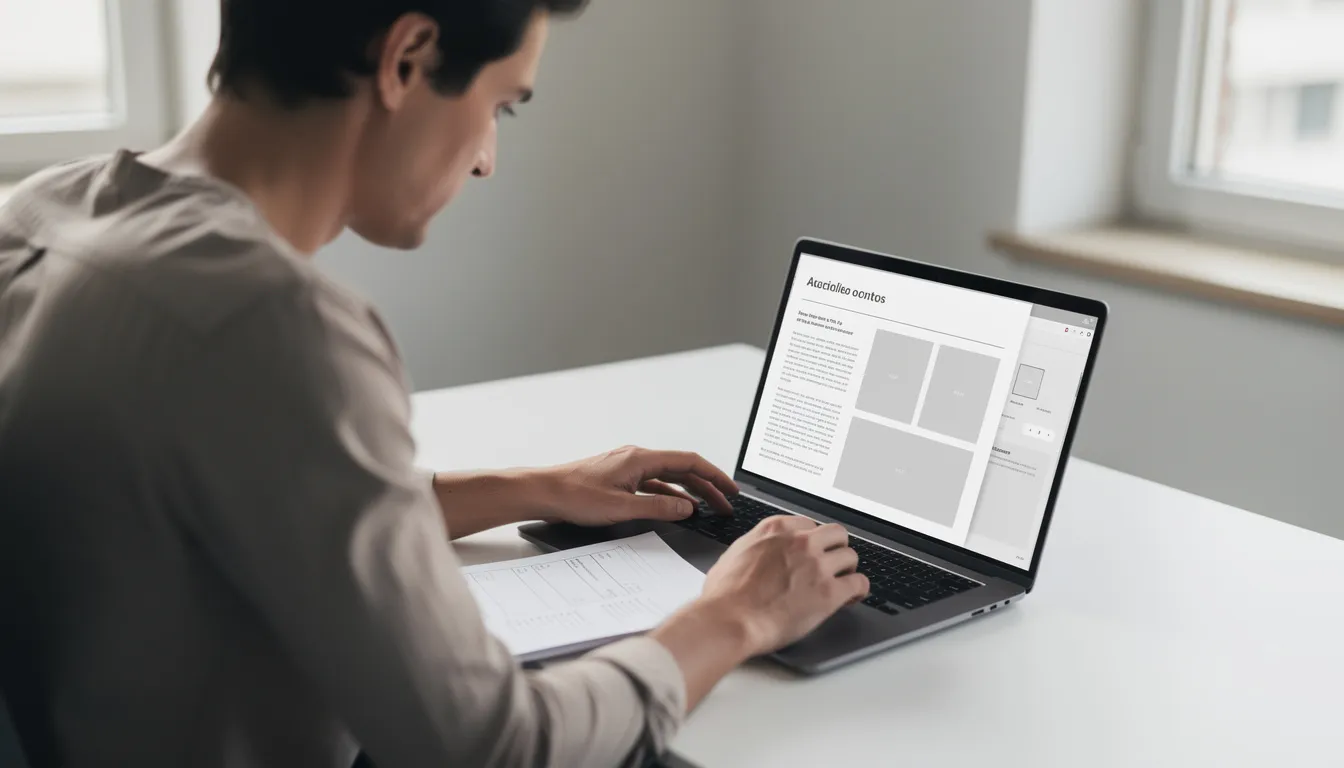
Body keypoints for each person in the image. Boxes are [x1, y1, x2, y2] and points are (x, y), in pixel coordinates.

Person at [0, 1, 869, 766]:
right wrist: (734, 617)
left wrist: (536, 487)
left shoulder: (44, 213)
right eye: (500, 104)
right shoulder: (271, 323)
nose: (487, 158)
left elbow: (236, 504)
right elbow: (494, 747)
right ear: (406, 58)